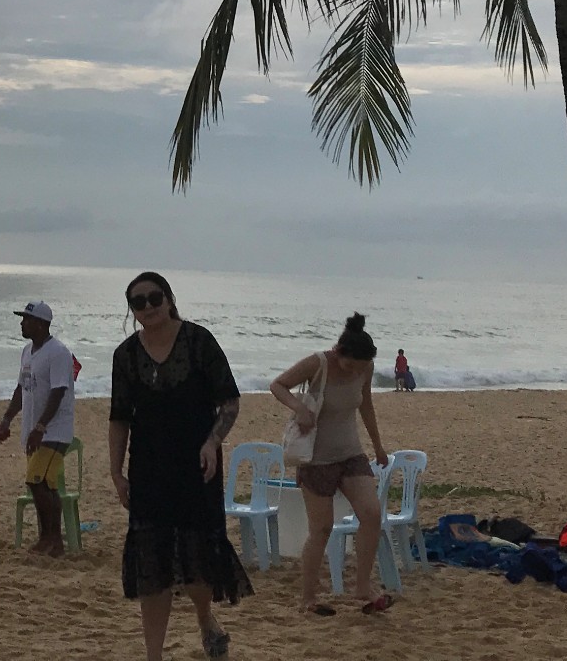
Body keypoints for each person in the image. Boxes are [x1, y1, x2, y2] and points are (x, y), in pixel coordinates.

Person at [110, 271, 250, 661]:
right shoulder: (125, 356)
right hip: (148, 469)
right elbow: (119, 417)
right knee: (151, 564)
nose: (149, 306)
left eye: (155, 297)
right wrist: (115, 471)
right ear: (132, 310)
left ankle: (205, 618)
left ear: (169, 299)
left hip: (196, 466)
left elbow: (230, 402)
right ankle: (153, 655)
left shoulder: (198, 341)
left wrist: (212, 441)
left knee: (197, 558)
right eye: (139, 302)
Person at [271, 314, 393, 616]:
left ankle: (363, 587)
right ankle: (308, 599)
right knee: (321, 529)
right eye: (353, 366)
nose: (357, 372)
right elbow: (278, 385)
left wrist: (377, 446)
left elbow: (366, 404)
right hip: (316, 459)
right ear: (339, 353)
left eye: (363, 367)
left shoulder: (365, 366)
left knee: (372, 514)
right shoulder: (318, 363)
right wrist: (299, 407)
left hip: (350, 453)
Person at [0, 300, 77, 557]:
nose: (22, 323)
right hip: (33, 431)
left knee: (36, 481)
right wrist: (7, 419)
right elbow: (22, 388)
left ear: (41, 324)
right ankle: (52, 540)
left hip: (54, 431)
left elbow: (58, 391)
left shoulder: (58, 352)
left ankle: (51, 539)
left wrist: (41, 426)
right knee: (45, 485)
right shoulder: (27, 351)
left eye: (27, 319)